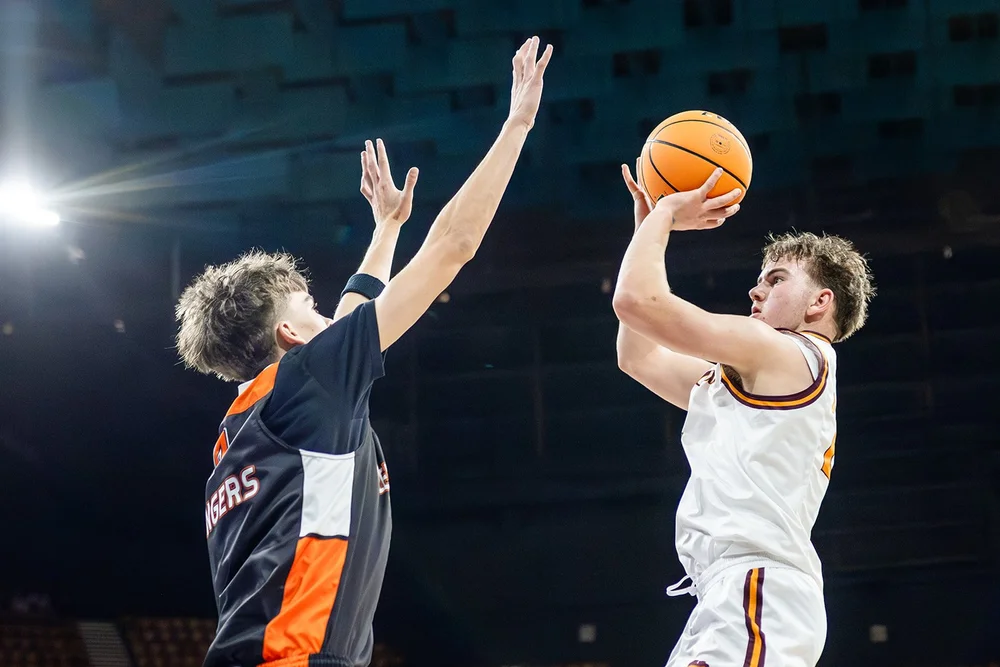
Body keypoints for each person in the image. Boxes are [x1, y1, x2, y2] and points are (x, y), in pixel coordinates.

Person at [174, 37, 553, 667]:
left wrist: (384, 230)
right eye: (312, 313)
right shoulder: (308, 386)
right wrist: (516, 125)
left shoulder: (246, 426)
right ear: (291, 340)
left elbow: (353, 315)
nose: (333, 320)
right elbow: (452, 248)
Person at [613, 164, 875, 667]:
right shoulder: (757, 372)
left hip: (758, 589)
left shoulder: (786, 352)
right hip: (729, 594)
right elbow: (637, 358)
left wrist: (665, 213)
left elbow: (636, 302)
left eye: (776, 280)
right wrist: (645, 230)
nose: (755, 291)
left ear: (821, 303)